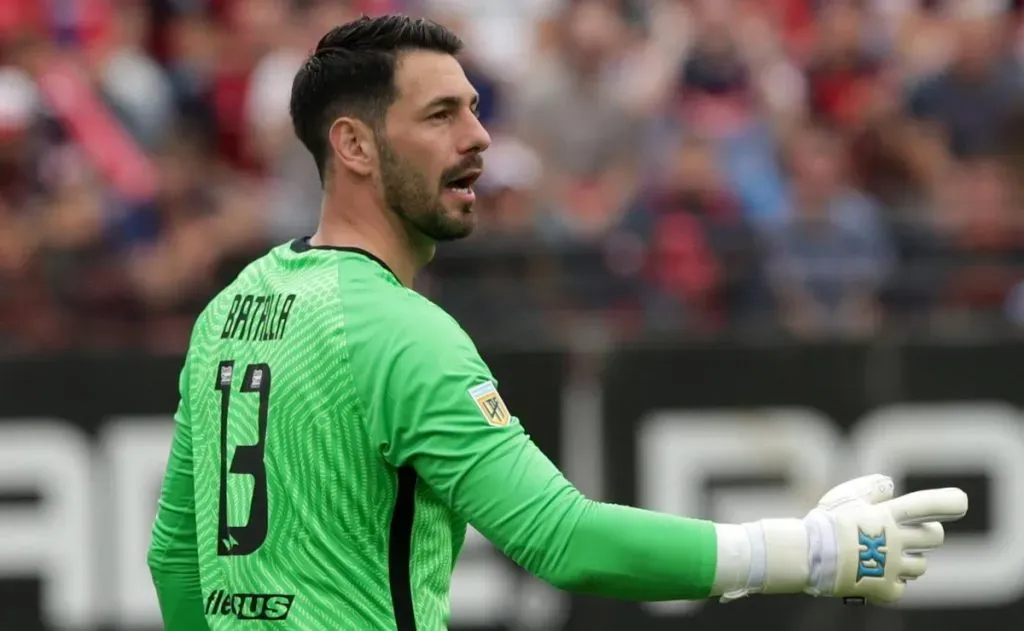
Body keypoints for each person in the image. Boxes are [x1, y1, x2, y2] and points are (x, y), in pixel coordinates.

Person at [146, 15, 969, 631]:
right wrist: (815, 553)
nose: (479, 138)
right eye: (440, 117)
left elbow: (176, 560)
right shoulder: (401, 331)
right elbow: (561, 538)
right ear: (354, 145)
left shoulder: (231, 306)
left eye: (474, 109)